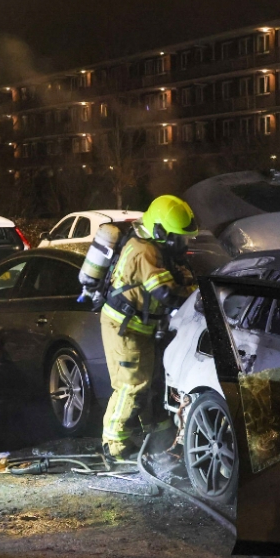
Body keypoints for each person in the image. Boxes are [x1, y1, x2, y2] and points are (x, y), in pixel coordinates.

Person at [100, 194, 198, 460]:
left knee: (152, 383)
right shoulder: (144, 251)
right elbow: (165, 294)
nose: (182, 244)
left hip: (139, 327)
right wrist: (199, 298)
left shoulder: (155, 248)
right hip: (124, 327)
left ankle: (159, 439)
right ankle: (114, 445)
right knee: (132, 385)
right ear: (159, 230)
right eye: (178, 237)